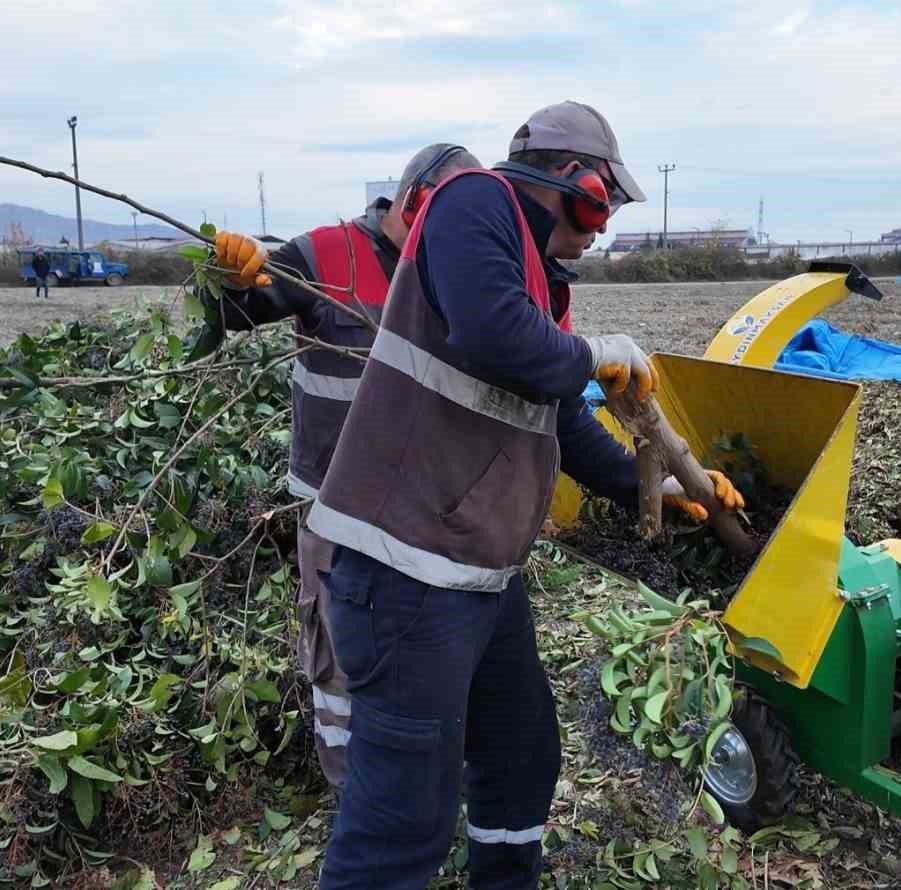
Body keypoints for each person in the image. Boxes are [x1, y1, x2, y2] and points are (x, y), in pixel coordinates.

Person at [305, 102, 745, 889]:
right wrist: (594, 352)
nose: (603, 228)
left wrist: (672, 486)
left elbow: (558, 423)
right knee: (404, 819)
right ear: (572, 182)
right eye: (603, 203)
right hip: (403, 576)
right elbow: (496, 335)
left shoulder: (537, 286)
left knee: (520, 752)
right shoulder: (475, 203)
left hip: (477, 579)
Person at [207, 144, 483, 789]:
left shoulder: (458, 267)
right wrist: (226, 276)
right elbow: (233, 313)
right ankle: (351, 789)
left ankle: (433, 780)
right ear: (414, 202)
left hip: (427, 506)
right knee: (339, 654)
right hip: (335, 504)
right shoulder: (325, 254)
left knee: (424, 648)